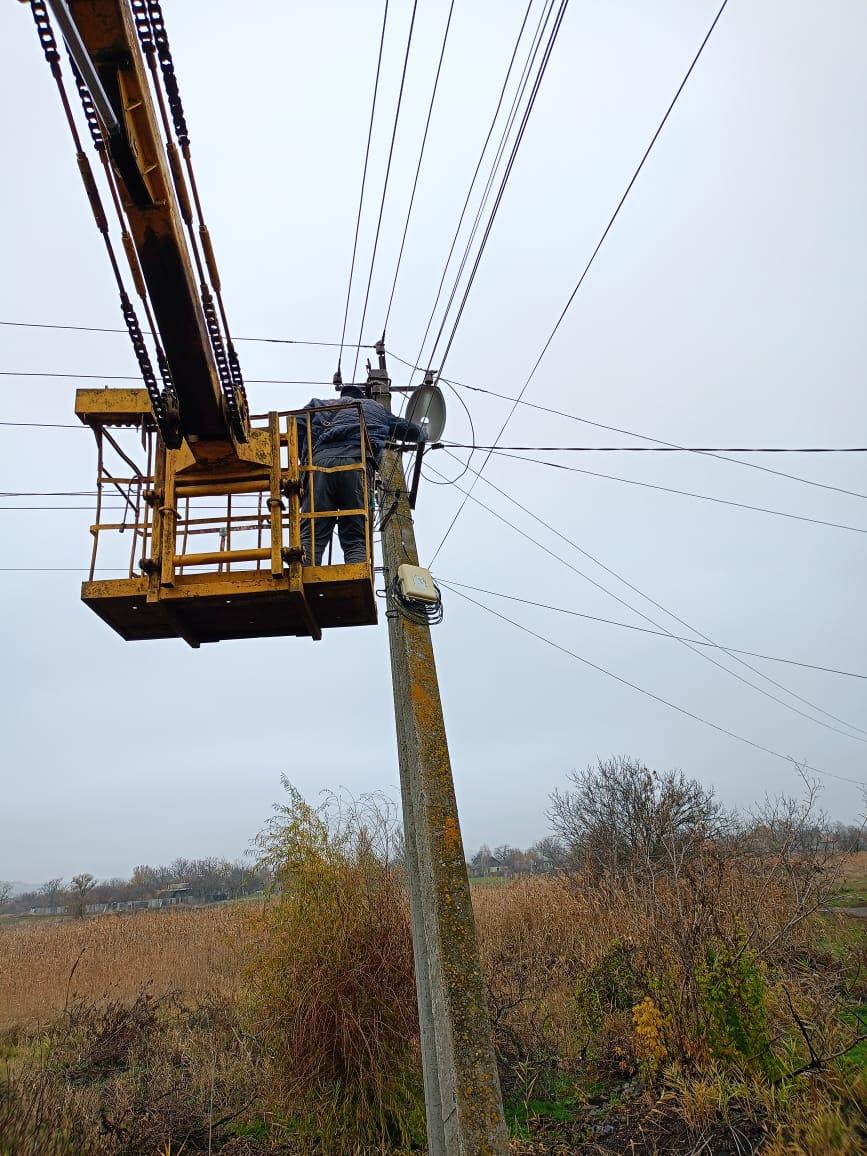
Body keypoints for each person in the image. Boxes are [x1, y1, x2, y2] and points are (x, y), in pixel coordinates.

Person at [297, 384, 426, 565]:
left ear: (343, 395)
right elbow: (411, 431)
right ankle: (356, 579)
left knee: (312, 533)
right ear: (363, 397)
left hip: (319, 466)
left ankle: (303, 577)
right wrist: (425, 431)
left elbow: (297, 423)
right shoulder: (375, 408)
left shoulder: (319, 404)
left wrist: (305, 458)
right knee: (355, 538)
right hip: (357, 465)